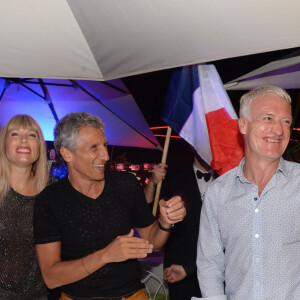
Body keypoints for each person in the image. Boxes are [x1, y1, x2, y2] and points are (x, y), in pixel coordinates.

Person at [33, 112, 186, 300]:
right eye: (94, 147)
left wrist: (165, 222)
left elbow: (153, 244)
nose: (105, 155)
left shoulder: (125, 184)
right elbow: (51, 278)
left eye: (104, 145)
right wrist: (106, 255)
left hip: (132, 295)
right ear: (67, 153)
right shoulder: (50, 200)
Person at [194, 86, 300, 300]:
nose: (279, 130)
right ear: (243, 124)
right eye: (268, 118)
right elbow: (209, 265)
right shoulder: (218, 192)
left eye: (286, 121)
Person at [145, 151, 214, 300]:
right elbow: (146, 211)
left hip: (217, 270)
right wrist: (152, 183)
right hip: (179, 269)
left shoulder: (229, 180)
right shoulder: (174, 179)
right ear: (192, 145)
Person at [0, 115, 49, 299]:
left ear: (39, 146)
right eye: (14, 134)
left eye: (32, 135)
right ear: (4, 143)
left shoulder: (53, 193)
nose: (23, 139)